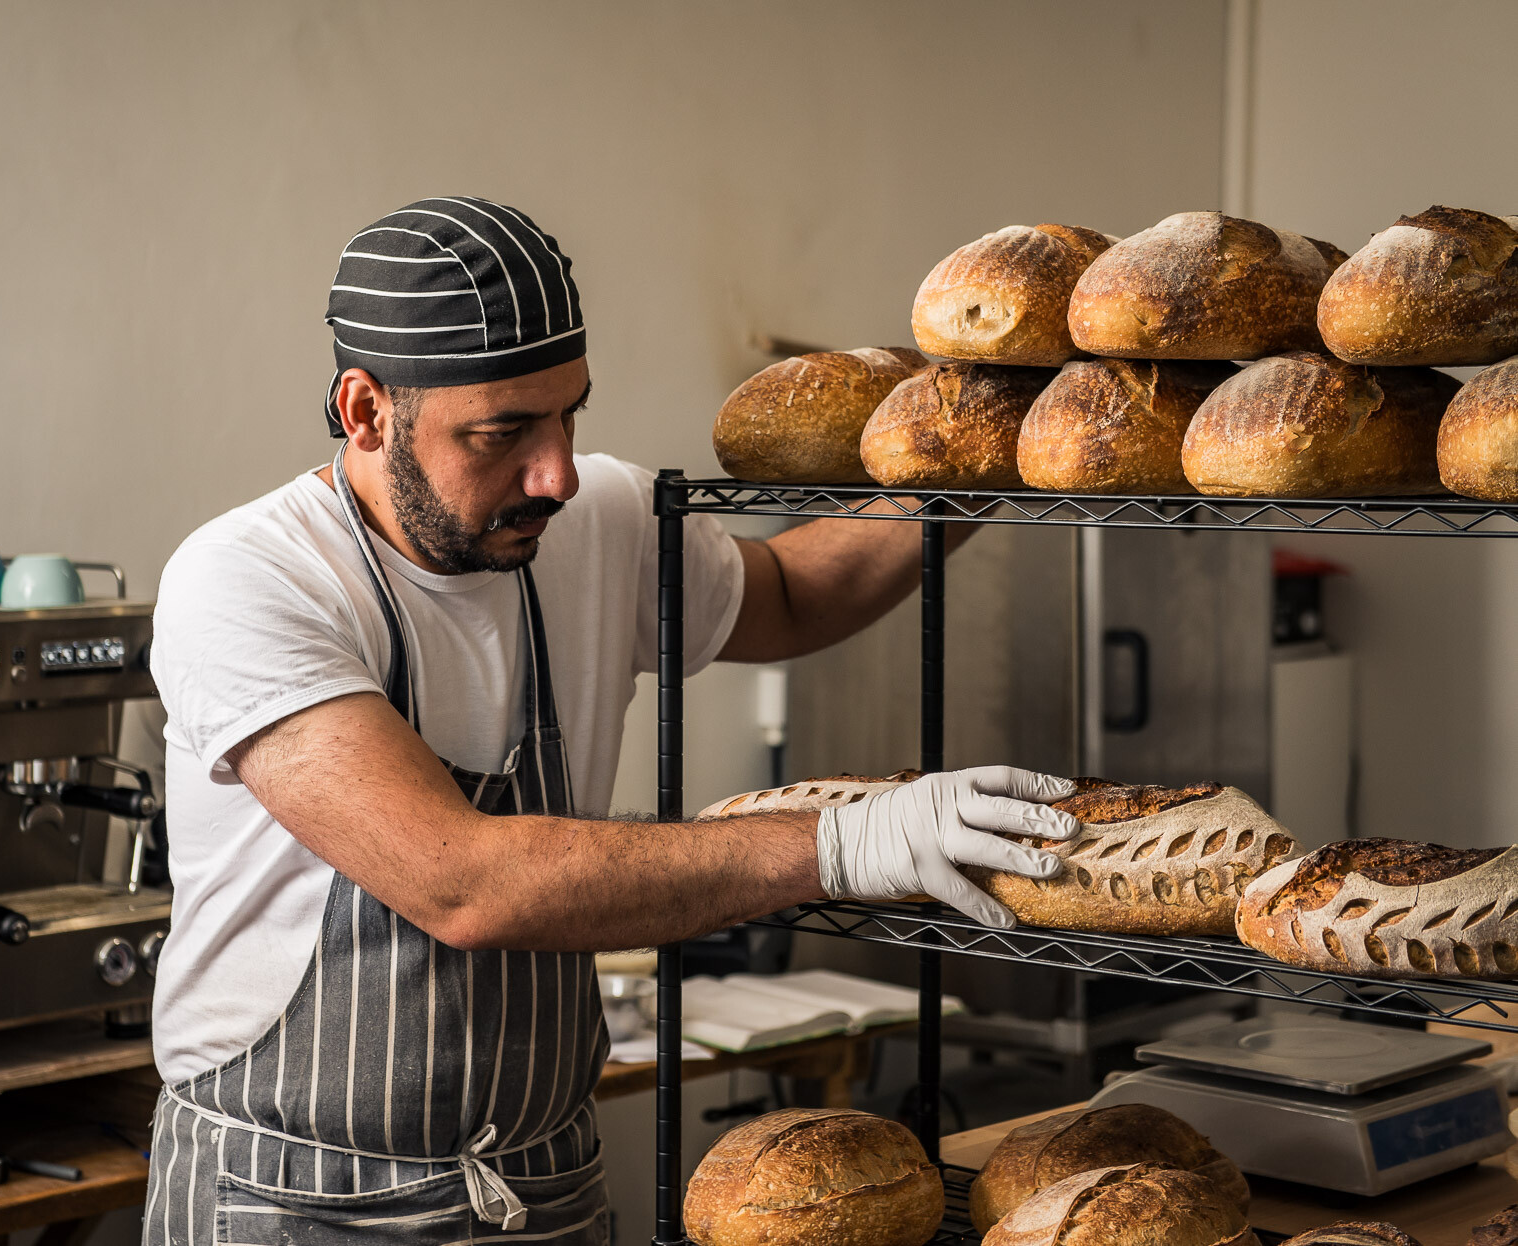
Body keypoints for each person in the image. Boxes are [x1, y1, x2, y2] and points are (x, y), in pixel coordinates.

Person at [140, 197, 1078, 1246]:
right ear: (364, 411)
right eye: (501, 434)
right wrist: (844, 843)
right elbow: (461, 879)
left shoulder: (597, 522)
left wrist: (987, 456)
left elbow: (795, 594)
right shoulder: (249, 580)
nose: (556, 474)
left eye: (568, 416)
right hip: (293, 1196)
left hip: (545, 1179)